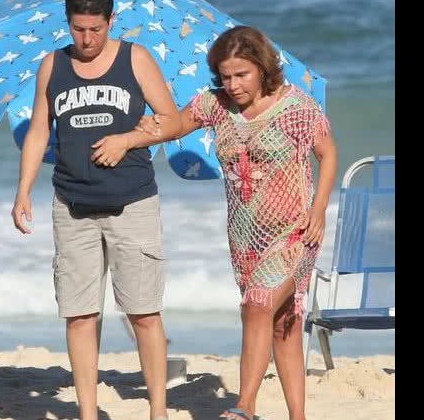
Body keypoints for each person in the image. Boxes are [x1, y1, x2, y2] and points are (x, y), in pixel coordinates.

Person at [137, 25, 338, 420]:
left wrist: (318, 211)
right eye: (225, 76)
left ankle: (244, 405)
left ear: (262, 68)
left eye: (241, 74)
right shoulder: (216, 106)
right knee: (283, 324)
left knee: (257, 304)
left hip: (295, 232)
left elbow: (327, 154)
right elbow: (176, 125)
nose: (232, 84)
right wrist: (144, 130)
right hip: (245, 239)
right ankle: (298, 416)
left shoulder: (297, 108)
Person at [11, 0, 182, 420]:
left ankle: (158, 411)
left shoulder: (135, 58)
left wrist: (126, 140)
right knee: (79, 314)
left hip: (133, 202)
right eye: (78, 29)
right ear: (67, 23)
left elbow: (172, 121)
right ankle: (88, 412)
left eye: (95, 29)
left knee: (143, 313)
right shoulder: (52, 65)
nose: (86, 40)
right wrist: (22, 190)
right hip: (71, 205)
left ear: (110, 21)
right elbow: (38, 131)